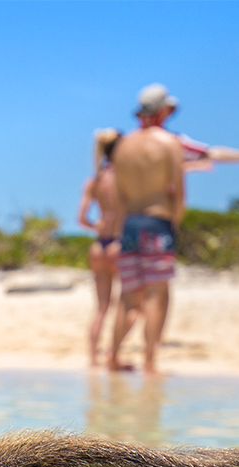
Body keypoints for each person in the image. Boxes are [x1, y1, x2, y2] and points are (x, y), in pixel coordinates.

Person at [107, 84, 185, 375]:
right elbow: (177, 190)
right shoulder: (168, 143)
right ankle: (151, 361)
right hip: (157, 223)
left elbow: (119, 194)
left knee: (127, 297)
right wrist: (174, 224)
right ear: (163, 110)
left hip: (129, 224)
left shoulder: (124, 145)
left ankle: (113, 356)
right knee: (156, 295)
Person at [77, 128, 124, 366]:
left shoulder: (94, 180)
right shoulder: (126, 178)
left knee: (101, 308)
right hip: (120, 243)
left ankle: (93, 358)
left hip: (98, 246)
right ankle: (115, 355)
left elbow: (81, 218)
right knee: (126, 305)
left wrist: (97, 225)